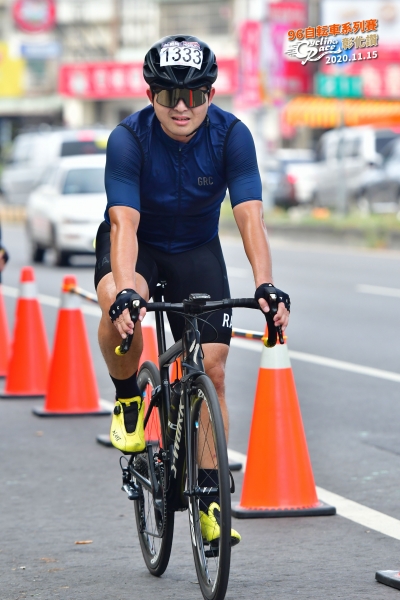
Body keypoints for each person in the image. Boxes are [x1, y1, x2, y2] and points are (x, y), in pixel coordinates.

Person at [95, 34, 290, 547]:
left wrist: (265, 284)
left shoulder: (232, 136)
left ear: (210, 94)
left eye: (194, 95)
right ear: (150, 95)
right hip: (138, 244)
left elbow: (250, 218)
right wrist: (126, 293)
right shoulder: (128, 139)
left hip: (197, 250)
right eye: (168, 96)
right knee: (120, 304)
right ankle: (127, 400)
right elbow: (123, 223)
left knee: (214, 370)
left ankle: (208, 502)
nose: (181, 107)